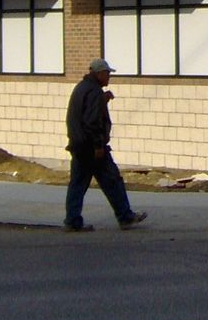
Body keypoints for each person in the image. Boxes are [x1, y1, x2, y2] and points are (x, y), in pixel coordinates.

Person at [63, 58, 147, 231]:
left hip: (78, 146)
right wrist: (98, 145)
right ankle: (125, 216)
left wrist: (103, 100)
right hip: (92, 148)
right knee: (112, 180)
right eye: (108, 74)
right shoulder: (93, 91)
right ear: (100, 73)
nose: (109, 77)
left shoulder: (82, 88)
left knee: (77, 184)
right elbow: (92, 121)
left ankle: (72, 221)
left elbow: (84, 113)